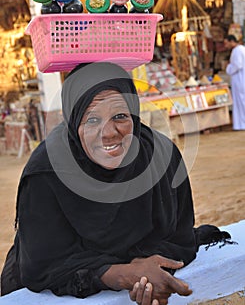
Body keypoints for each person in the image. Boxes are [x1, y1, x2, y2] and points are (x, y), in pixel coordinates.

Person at [1, 62, 232, 305]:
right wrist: (125, 274)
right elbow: (44, 264)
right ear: (73, 122)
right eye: (91, 120)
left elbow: (180, 237)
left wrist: (151, 273)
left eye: (120, 116)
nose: (109, 133)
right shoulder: (47, 172)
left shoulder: (162, 158)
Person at [224, 34, 245, 130]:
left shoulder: (237, 50)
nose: (225, 45)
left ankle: (241, 124)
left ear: (231, 41)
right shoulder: (240, 49)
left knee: (241, 101)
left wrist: (228, 68)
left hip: (240, 80)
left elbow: (238, 65)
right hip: (240, 79)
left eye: (226, 43)